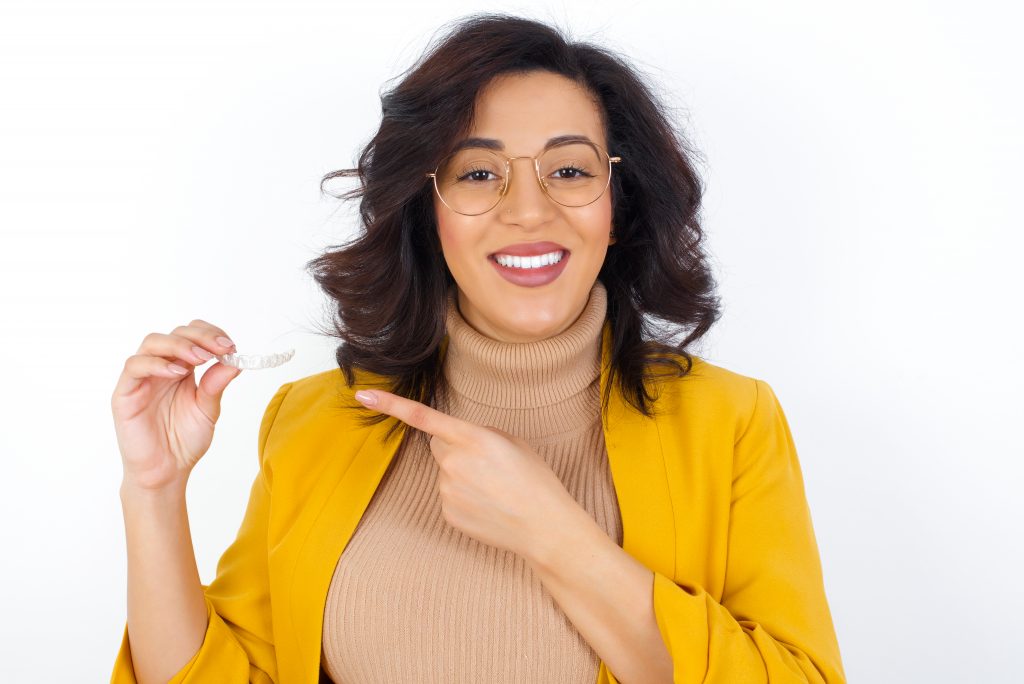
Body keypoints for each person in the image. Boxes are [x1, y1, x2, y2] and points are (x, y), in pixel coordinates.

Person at [109, 12, 846, 684]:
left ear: (618, 207)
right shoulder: (315, 422)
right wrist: (153, 493)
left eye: (569, 171)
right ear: (429, 212)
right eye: (479, 173)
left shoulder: (732, 421)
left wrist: (556, 535)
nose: (527, 210)